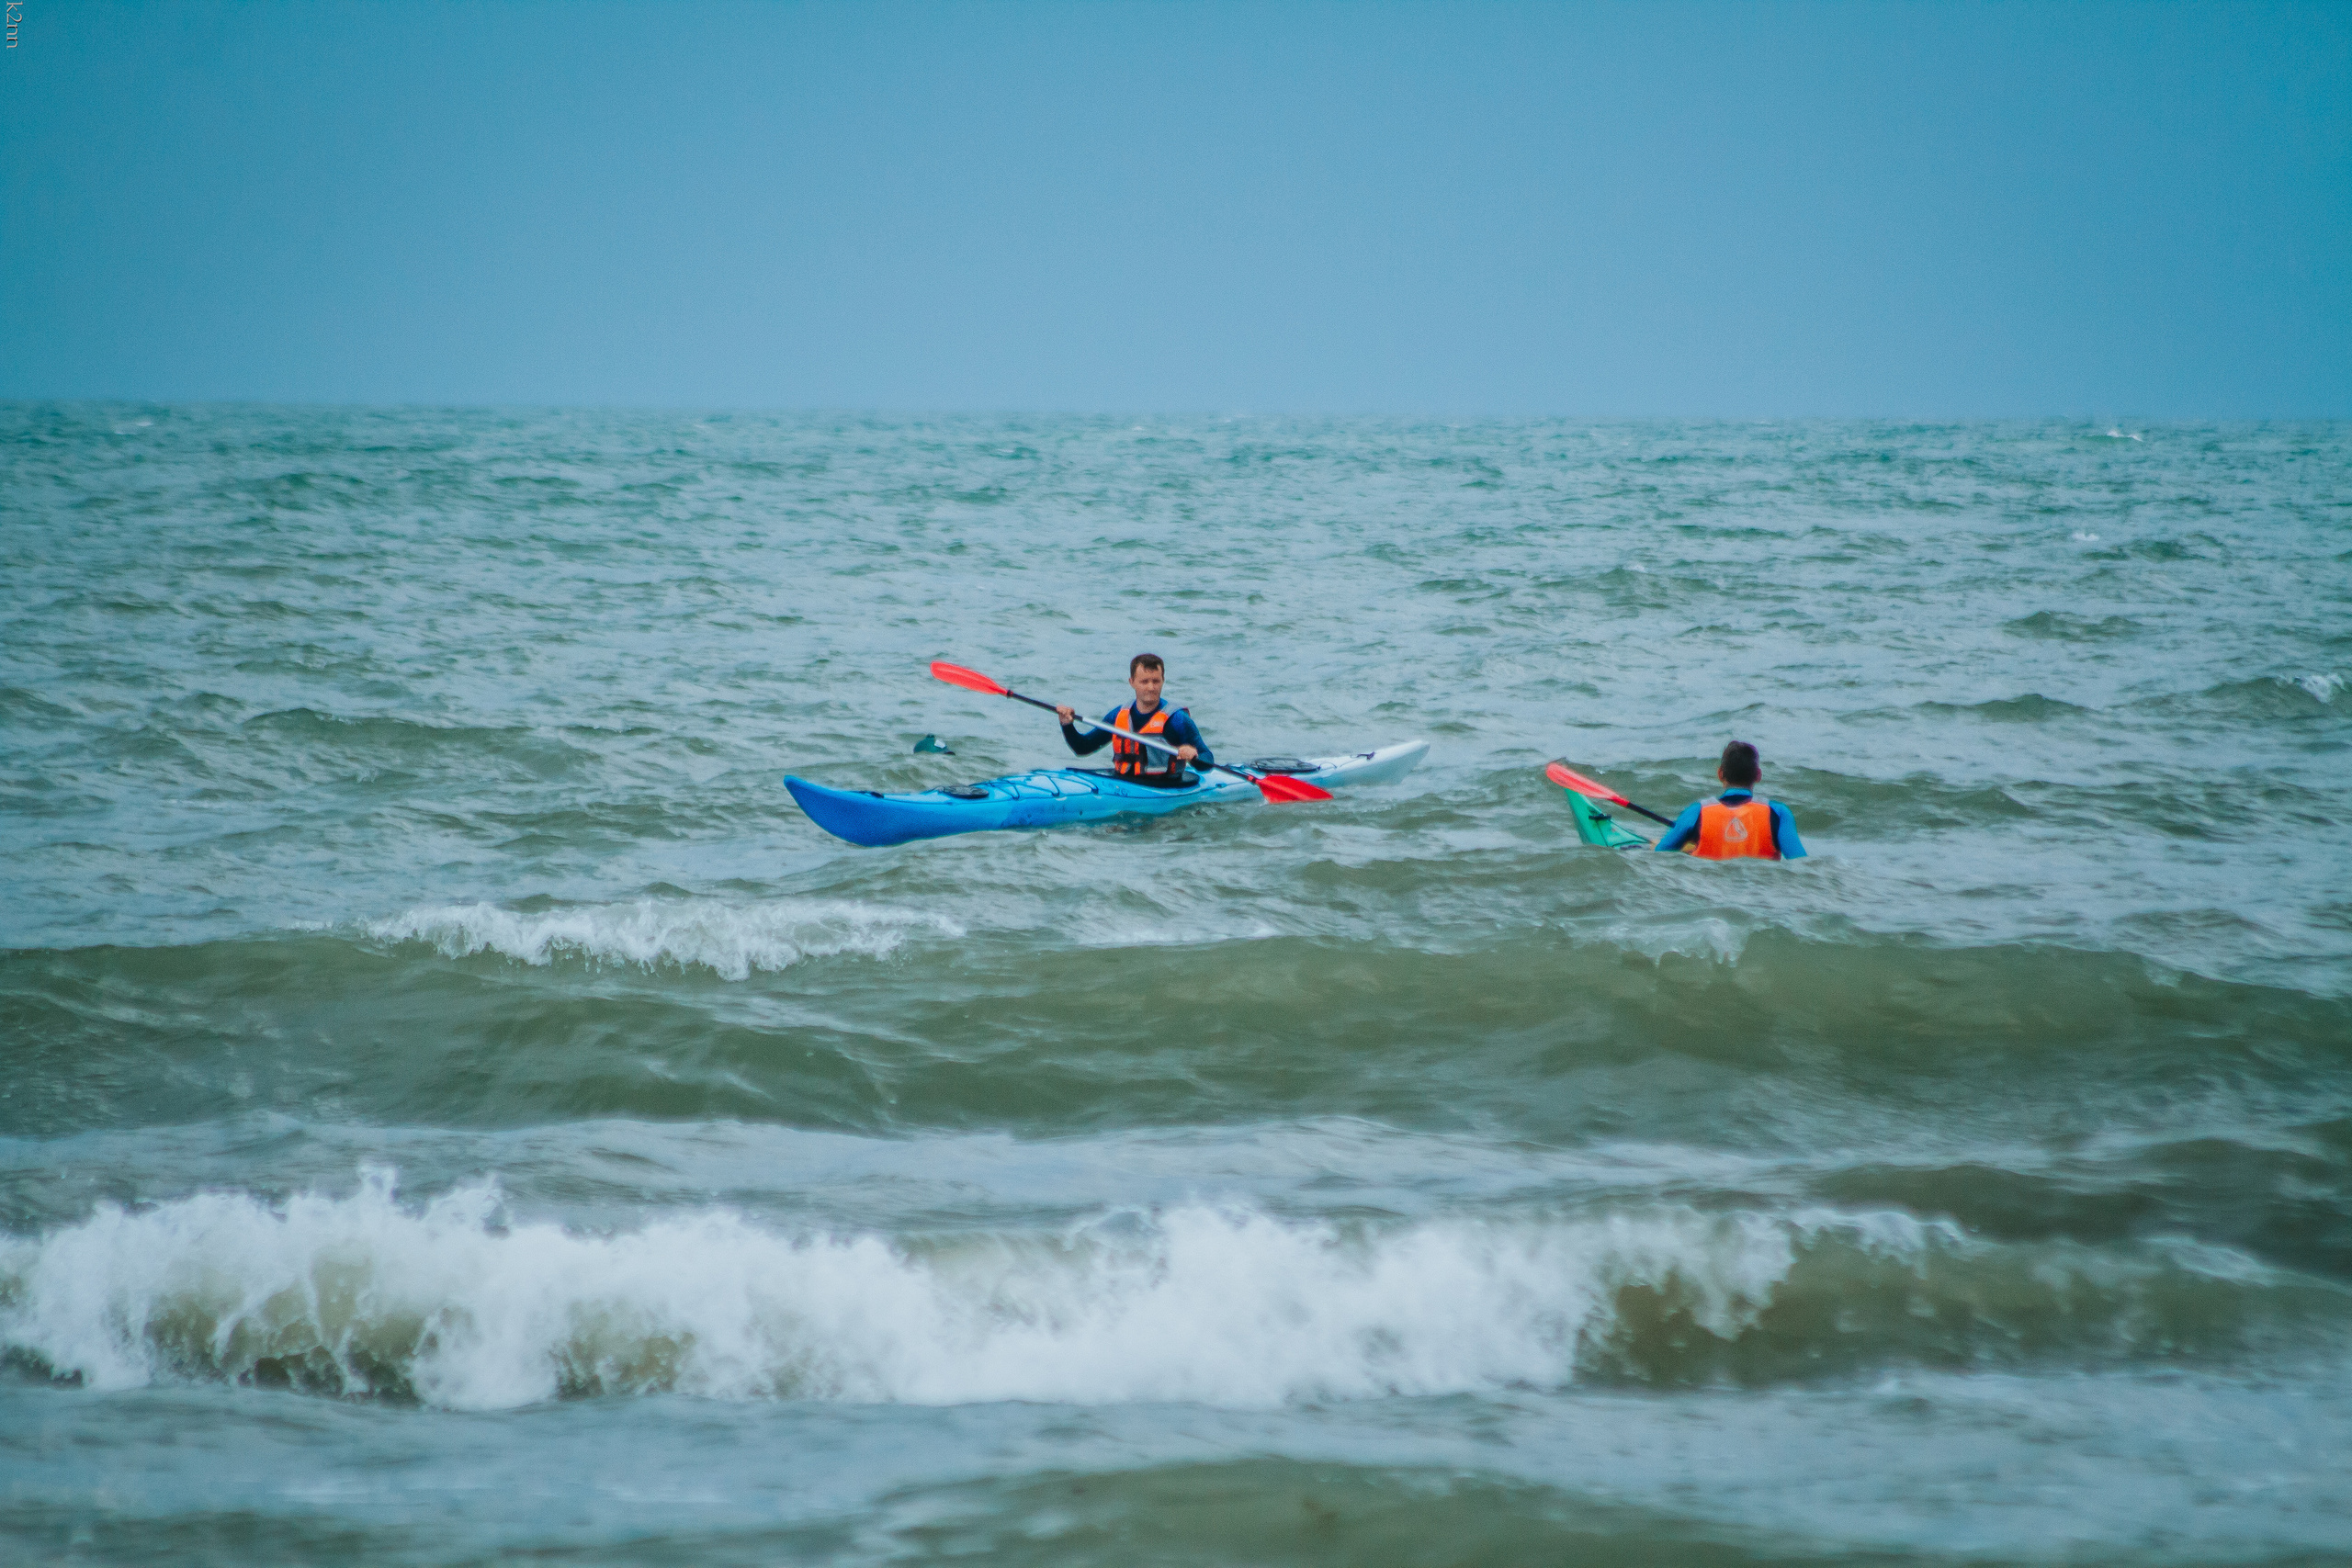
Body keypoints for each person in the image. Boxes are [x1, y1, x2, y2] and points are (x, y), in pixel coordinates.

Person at [1055, 653, 1215, 786]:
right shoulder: (1118, 715)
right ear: (1132, 682)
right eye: (1144, 681)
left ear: (1163, 681)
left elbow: (1207, 760)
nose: (1151, 687)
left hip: (1165, 787)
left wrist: (1194, 756)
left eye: (1156, 681)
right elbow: (1082, 748)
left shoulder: (1177, 719)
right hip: (1124, 783)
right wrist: (1067, 724)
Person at [1654, 740, 1806, 860]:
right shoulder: (1778, 813)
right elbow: (1800, 863)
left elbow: (1659, 854)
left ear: (1720, 774)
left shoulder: (1697, 812)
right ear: (1758, 775)